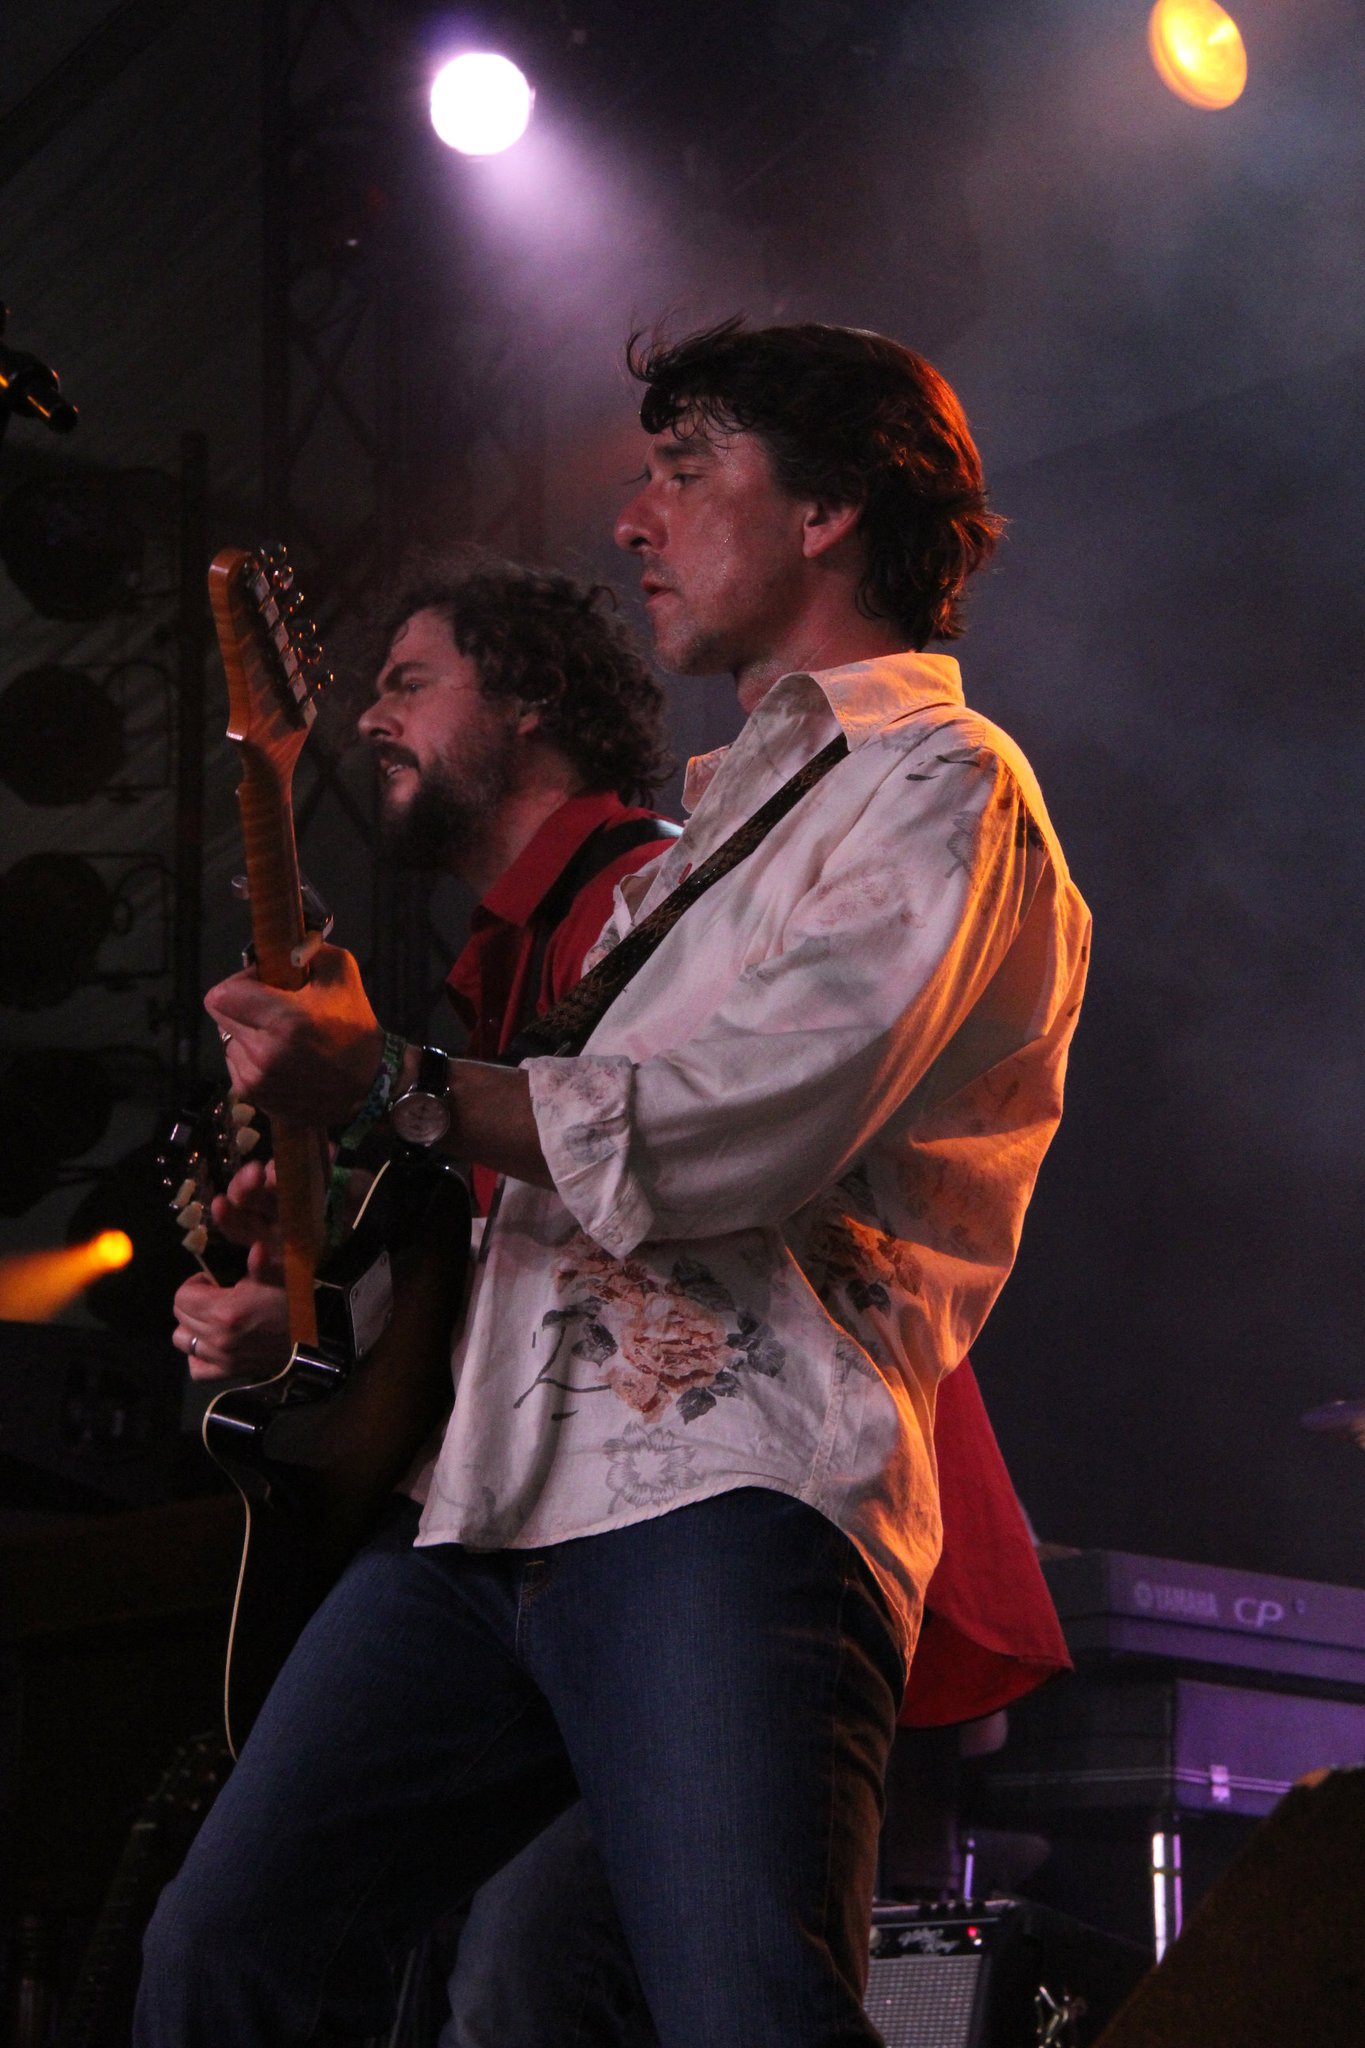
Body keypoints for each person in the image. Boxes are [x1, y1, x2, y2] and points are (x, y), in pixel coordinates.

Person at [139, 318, 1090, 2048]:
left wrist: (398, 1084)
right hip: (485, 1506)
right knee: (223, 1952)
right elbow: (552, 1202)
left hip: (723, 1499)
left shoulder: (942, 786)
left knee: (734, 2010)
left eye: (682, 471)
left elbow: (735, 1124)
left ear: (827, 510)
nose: (633, 519)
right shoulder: (703, 849)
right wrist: (331, 1306)